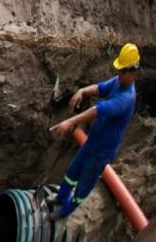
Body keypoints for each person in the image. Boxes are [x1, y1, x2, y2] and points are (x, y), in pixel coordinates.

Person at [48, 43, 140, 219]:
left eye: (122, 71)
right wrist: (82, 91)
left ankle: (64, 212)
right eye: (119, 70)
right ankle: (60, 198)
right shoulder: (118, 82)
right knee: (72, 172)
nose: (118, 74)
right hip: (92, 141)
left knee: (83, 186)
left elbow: (98, 110)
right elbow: (99, 88)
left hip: (102, 152)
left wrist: (70, 121)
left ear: (133, 71)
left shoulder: (127, 98)